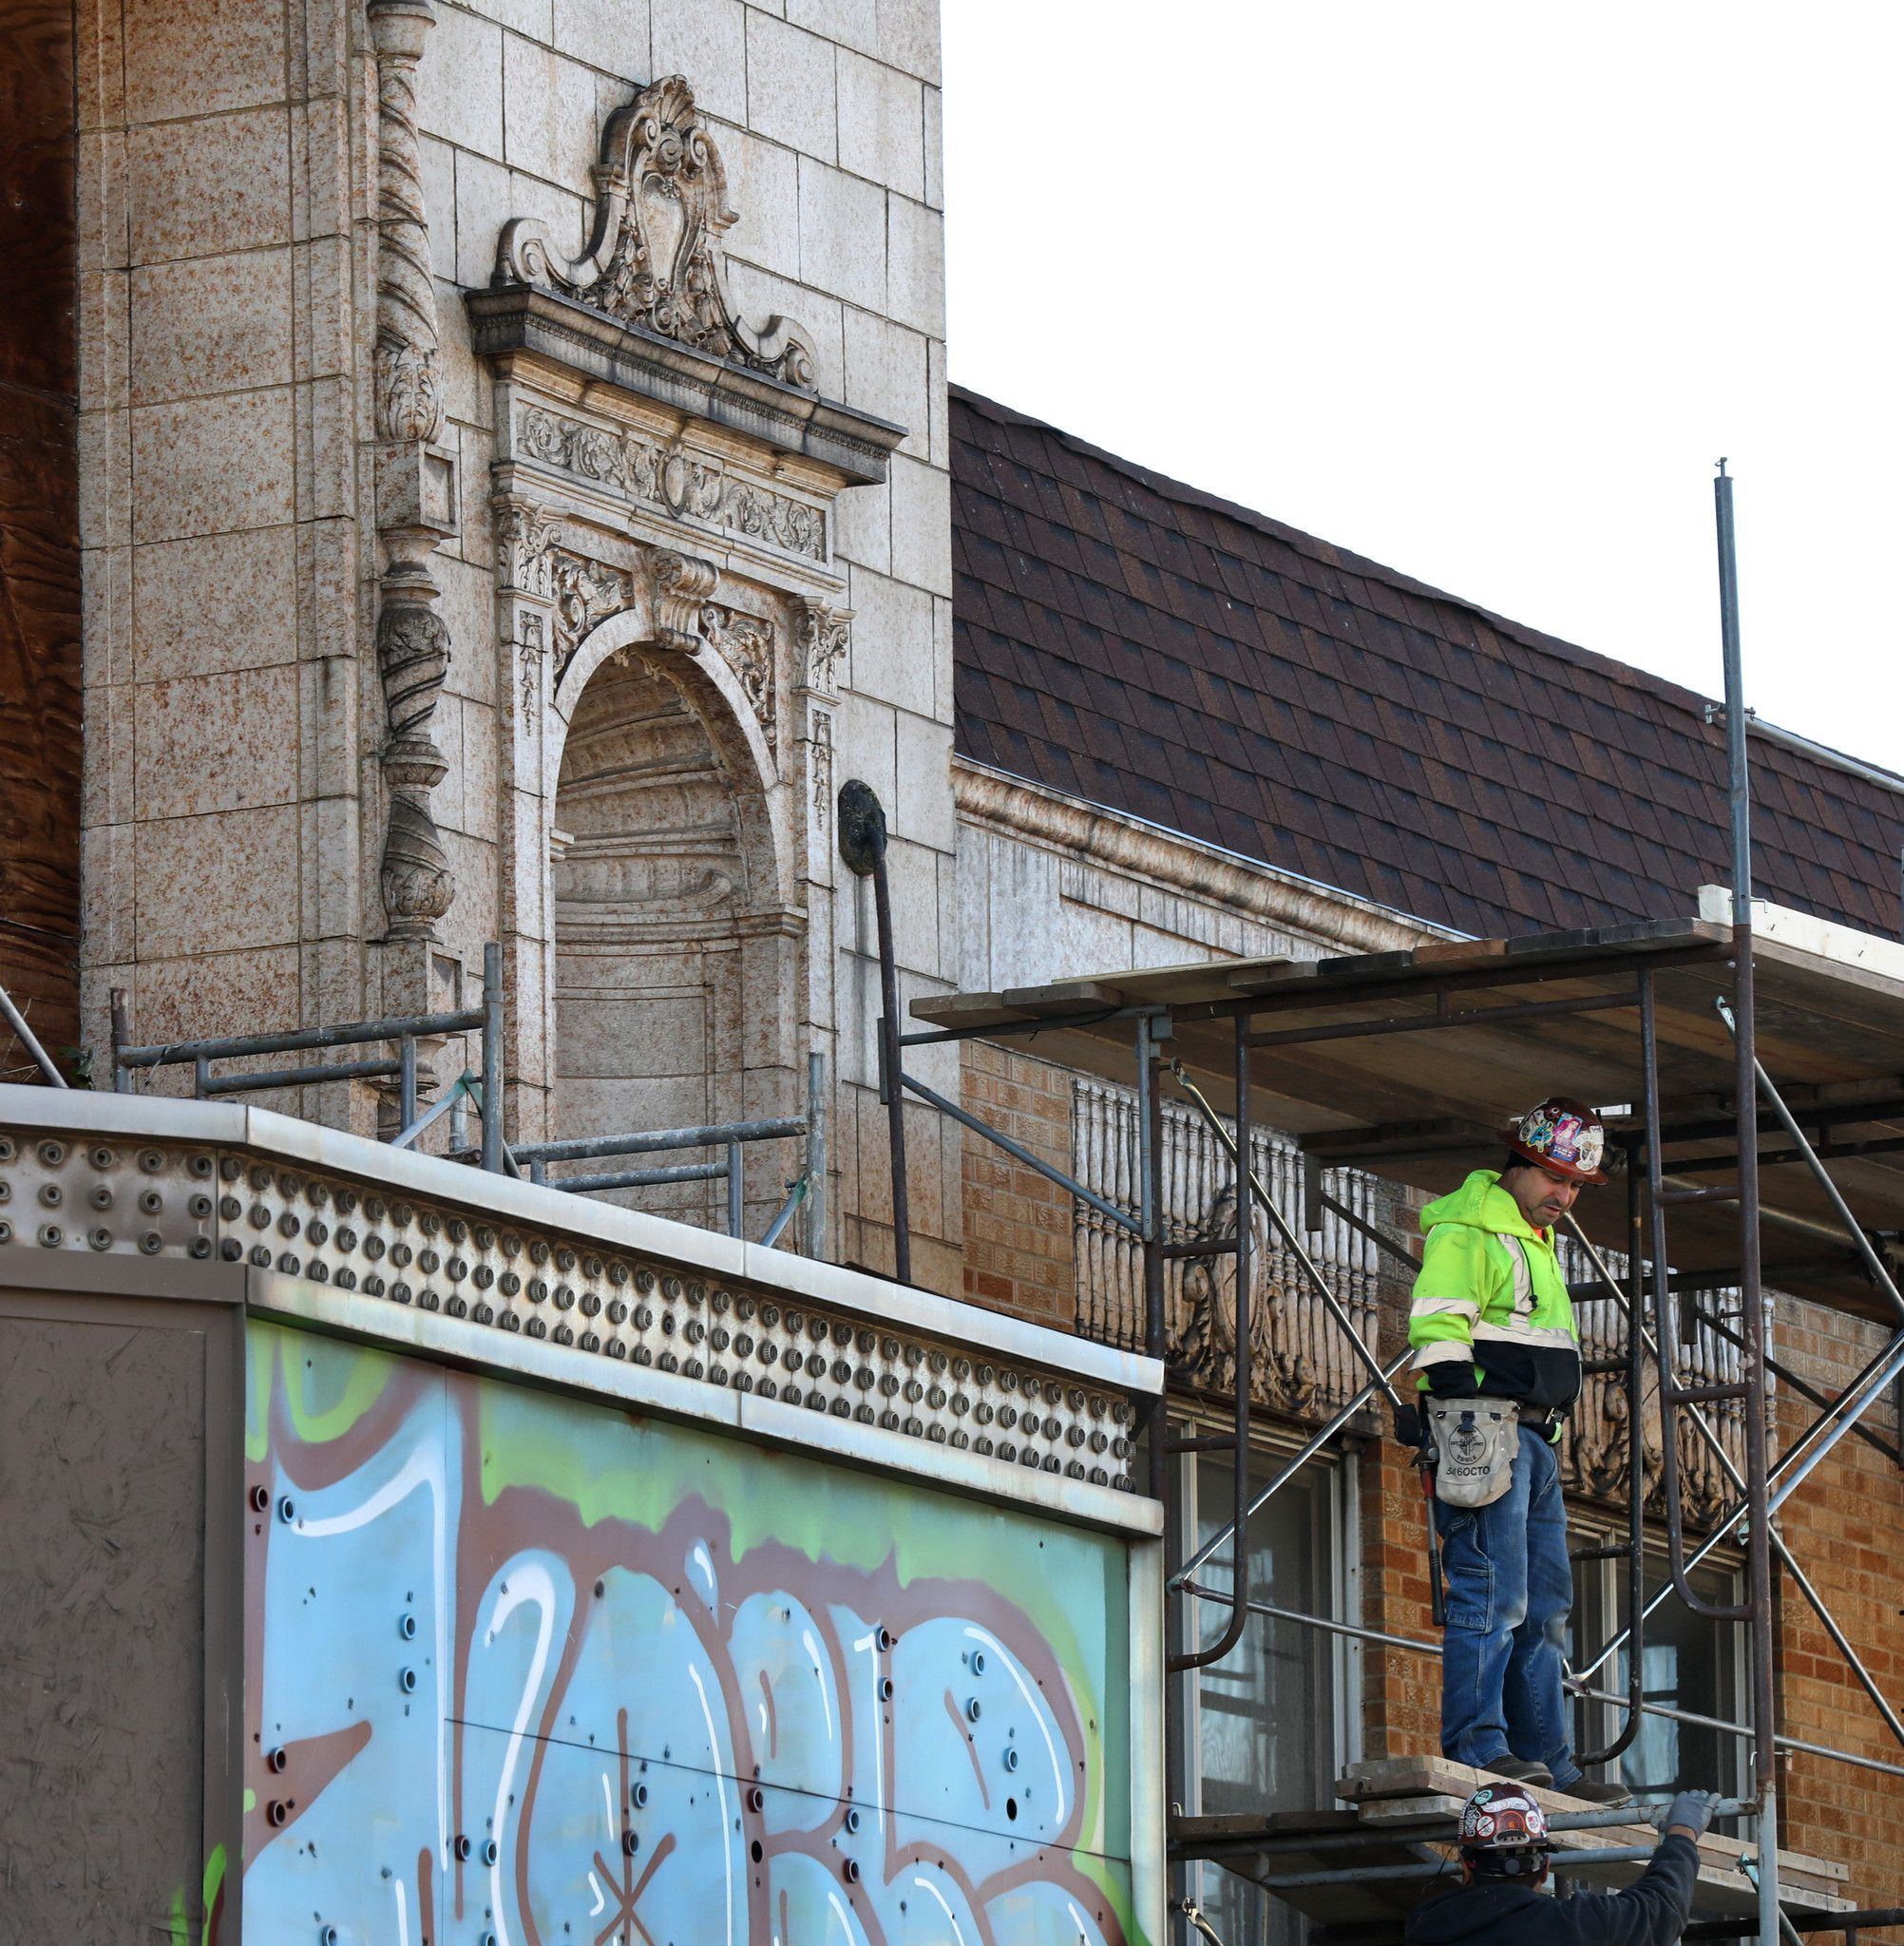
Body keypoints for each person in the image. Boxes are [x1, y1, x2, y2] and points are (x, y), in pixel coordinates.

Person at [1407, 1097, 1631, 1803]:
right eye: (1555, 1179)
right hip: (1487, 1430)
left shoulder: (1533, 1238)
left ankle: (1545, 1760)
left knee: (1543, 1608)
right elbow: (1438, 1329)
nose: (1564, 1196)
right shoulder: (1471, 1228)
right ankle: (1479, 1745)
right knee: (1491, 1595)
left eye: (1574, 1186)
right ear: (1522, 1163)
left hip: (1533, 1439)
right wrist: (1459, 1422)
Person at [1404, 1782, 1719, 1946]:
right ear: (1545, 1867)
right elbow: (1660, 1909)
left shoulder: (1425, 1932)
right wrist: (1682, 1834)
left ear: (1467, 1866)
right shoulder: (1569, 1927)